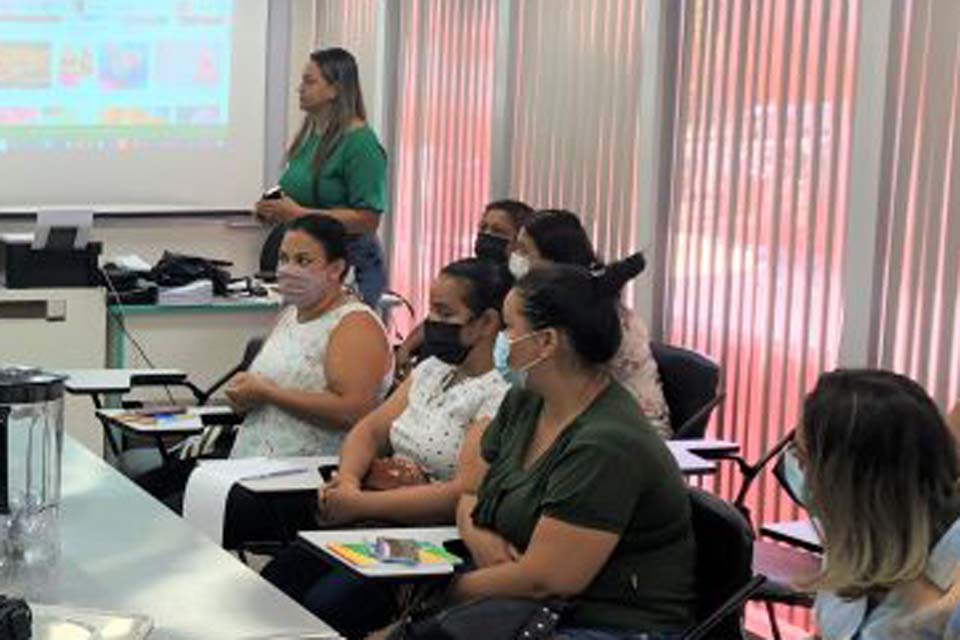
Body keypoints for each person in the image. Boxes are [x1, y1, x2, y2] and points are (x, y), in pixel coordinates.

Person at [429, 255, 696, 640]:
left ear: (546, 342)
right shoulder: (526, 402)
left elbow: (546, 580)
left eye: (509, 327)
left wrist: (441, 591)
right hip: (520, 604)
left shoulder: (605, 444)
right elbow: (470, 491)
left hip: (602, 625)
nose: (499, 339)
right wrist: (479, 536)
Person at [258, 258, 513, 636]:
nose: (432, 322)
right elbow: (369, 431)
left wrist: (359, 504)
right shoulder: (433, 369)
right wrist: (347, 481)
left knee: (324, 606)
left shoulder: (499, 393)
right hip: (375, 516)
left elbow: (461, 491)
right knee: (276, 582)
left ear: (487, 322)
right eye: (431, 309)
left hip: (427, 536)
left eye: (445, 313)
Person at [783, 370, 960, 640]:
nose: (796, 470)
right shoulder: (853, 539)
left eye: (802, 460)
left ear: (853, 488)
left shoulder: (945, 599)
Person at [228, 215, 393, 459]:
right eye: (284, 259)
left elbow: (352, 413)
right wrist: (244, 397)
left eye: (303, 260)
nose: (288, 269)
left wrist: (270, 394)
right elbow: (263, 387)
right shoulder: (290, 315)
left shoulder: (355, 325)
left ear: (335, 269)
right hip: (251, 462)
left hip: (310, 470)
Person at [506, 209, 672, 437]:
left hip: (626, 431)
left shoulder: (594, 315)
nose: (515, 258)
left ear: (554, 261)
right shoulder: (551, 304)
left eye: (524, 250)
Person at [255, 47, 388, 308]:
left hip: (348, 265)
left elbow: (368, 219)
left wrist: (298, 214)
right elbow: (299, 194)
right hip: (307, 259)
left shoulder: (361, 144)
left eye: (310, 81)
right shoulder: (312, 136)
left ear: (335, 90)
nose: (300, 89)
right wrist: (273, 209)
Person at [395, 199, 534, 376]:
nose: (486, 235)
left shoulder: (521, 289)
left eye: (498, 231)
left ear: (519, 241)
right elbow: (440, 314)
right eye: (483, 228)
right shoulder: (466, 273)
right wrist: (406, 347)